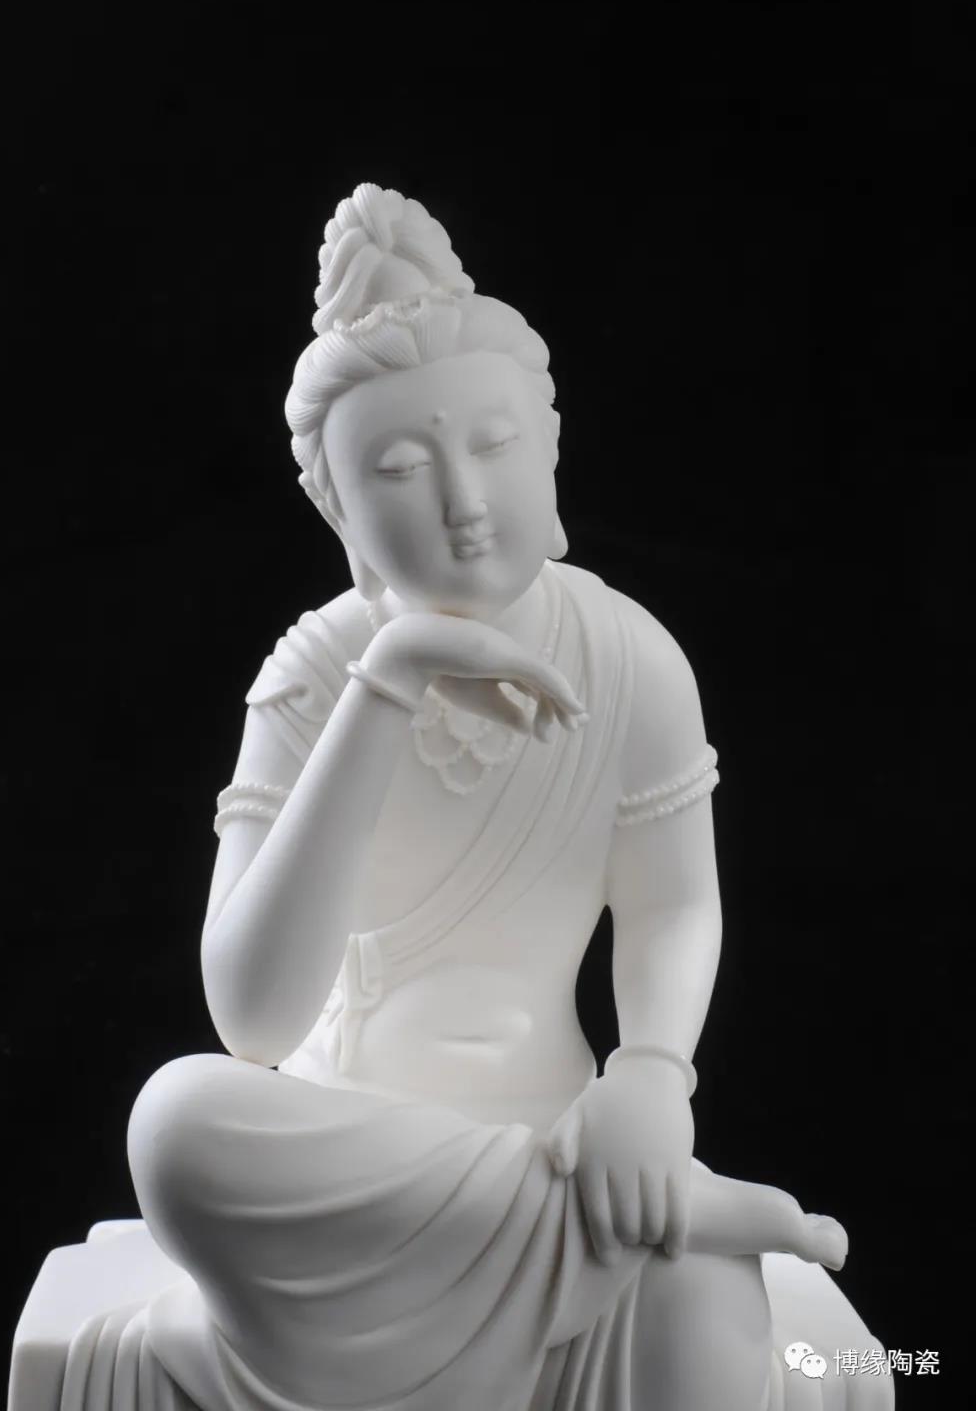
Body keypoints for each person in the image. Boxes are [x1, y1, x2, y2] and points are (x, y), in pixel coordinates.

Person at [60, 184, 889, 1411]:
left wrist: (651, 1074)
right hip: (346, 1155)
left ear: (549, 447)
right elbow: (252, 1019)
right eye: (400, 466)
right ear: (337, 509)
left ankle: (593, 1222)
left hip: (563, 1122)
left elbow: (672, 906)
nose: (462, 498)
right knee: (177, 1121)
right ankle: (605, 1225)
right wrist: (385, 686)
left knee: (709, 1351)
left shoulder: (630, 658)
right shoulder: (313, 674)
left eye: (493, 444)